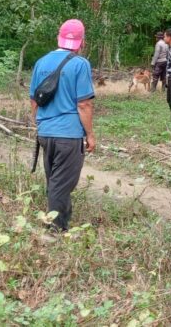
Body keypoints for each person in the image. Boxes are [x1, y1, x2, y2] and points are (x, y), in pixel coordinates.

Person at [30, 19, 96, 232]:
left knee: (55, 179)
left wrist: (38, 123)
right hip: (68, 135)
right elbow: (84, 104)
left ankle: (62, 221)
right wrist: (90, 135)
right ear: (81, 42)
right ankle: (55, 230)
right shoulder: (80, 64)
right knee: (61, 183)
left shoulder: (41, 62)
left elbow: (34, 100)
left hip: (45, 133)